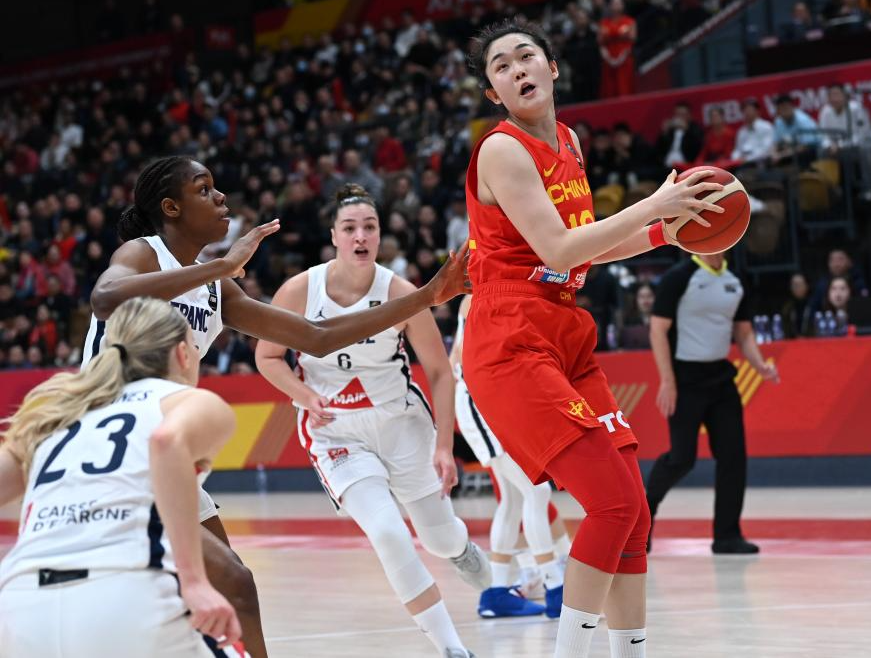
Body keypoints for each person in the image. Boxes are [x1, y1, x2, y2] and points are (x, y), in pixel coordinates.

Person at [82, 156, 470, 658]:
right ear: (171, 208)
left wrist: (428, 296)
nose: (221, 197)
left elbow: (316, 336)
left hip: (164, 452)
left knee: (236, 587)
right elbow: (105, 296)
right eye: (204, 189)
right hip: (112, 449)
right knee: (194, 591)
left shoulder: (216, 288)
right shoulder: (143, 253)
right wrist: (222, 265)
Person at [463, 19, 723, 658]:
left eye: (526, 56)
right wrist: (652, 206)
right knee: (609, 504)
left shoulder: (570, 142)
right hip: (510, 336)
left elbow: (582, 250)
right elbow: (557, 247)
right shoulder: (501, 150)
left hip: (563, 327)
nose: (517, 69)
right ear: (494, 93)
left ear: (552, 68)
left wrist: (664, 232)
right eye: (501, 66)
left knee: (633, 511)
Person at [254, 184, 487, 658]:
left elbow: (439, 372)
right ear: (333, 237)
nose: (360, 236)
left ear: (380, 235)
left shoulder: (400, 292)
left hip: (402, 422)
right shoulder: (300, 290)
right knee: (387, 533)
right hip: (336, 430)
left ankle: (468, 556)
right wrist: (304, 395)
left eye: (370, 227)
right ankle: (451, 648)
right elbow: (267, 356)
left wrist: (445, 446)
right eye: (350, 228)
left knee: (440, 538)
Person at [0, 297, 243, 657]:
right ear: (182, 354)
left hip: (20, 606)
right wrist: (194, 582)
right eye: (195, 345)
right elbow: (166, 442)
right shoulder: (186, 401)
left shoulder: (59, 414)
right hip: (125, 594)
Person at [644, 253, 778, 555]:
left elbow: (743, 333)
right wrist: (667, 380)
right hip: (685, 379)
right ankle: (643, 515)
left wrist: (759, 365)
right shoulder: (679, 277)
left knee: (733, 457)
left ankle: (727, 535)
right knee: (681, 458)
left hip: (720, 379)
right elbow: (658, 330)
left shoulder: (735, 280)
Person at [450, 294, 555, 619]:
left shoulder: (492, 294)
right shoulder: (482, 297)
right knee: (537, 490)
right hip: (480, 401)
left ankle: (496, 593)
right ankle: (556, 587)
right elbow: (460, 357)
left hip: (494, 400)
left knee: (513, 499)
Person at [598, 0, 637, 98]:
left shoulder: (630, 21)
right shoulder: (604, 23)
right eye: (613, 3)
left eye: (618, 3)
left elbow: (632, 39)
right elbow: (600, 42)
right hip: (608, 59)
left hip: (624, 58)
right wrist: (609, 59)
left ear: (623, 5)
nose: (616, 5)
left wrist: (621, 58)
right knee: (610, 89)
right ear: (610, 6)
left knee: (625, 88)